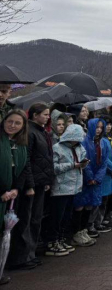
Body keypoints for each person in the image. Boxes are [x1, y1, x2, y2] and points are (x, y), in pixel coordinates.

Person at [8, 103, 54, 270]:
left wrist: (47, 181)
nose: (48, 117)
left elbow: (46, 158)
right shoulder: (31, 133)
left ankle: (31, 253)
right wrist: (30, 184)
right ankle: (22, 256)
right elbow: (27, 160)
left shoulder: (43, 133)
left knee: (35, 219)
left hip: (41, 182)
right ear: (35, 115)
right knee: (26, 220)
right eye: (45, 114)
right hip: (31, 183)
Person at [0, 109, 31, 284]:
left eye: (17, 123)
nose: (13, 126)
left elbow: (24, 168)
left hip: (11, 195)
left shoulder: (20, 145)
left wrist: (17, 189)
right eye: (10, 121)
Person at [47, 123, 86, 256]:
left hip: (74, 187)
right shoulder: (57, 148)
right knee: (57, 216)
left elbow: (81, 161)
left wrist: (83, 164)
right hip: (60, 187)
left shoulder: (79, 148)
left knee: (66, 216)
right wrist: (73, 165)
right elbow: (54, 167)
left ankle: (62, 239)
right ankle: (53, 242)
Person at [72, 118, 108, 243]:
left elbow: (104, 162)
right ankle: (78, 231)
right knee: (81, 204)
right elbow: (84, 159)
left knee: (91, 204)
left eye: (101, 128)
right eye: (97, 127)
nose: (98, 130)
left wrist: (97, 178)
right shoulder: (84, 142)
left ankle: (85, 229)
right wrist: (90, 177)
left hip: (96, 180)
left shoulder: (103, 143)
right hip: (85, 180)